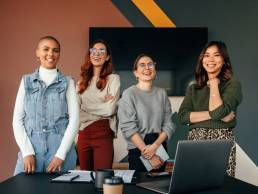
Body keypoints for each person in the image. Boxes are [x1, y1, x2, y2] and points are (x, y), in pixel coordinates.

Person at [13, 36, 79, 175]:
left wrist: (61, 155)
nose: (51, 54)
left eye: (55, 50)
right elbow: (17, 119)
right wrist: (26, 152)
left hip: (61, 151)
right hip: (31, 150)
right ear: (37, 53)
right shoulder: (26, 81)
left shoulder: (68, 82)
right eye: (46, 49)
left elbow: (74, 120)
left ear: (59, 54)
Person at [178, 41, 243, 177]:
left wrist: (213, 83)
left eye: (216, 55)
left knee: (221, 187)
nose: (210, 59)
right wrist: (216, 115)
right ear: (202, 60)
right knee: (193, 184)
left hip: (221, 142)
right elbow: (183, 117)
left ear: (224, 60)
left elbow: (218, 111)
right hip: (195, 142)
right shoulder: (193, 88)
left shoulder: (233, 85)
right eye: (206, 55)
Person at [118, 53, 175, 172]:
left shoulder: (162, 93)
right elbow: (129, 128)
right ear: (136, 72)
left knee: (159, 187)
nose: (147, 68)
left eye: (150, 64)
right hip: (138, 148)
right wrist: (150, 154)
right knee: (139, 188)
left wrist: (155, 147)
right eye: (142, 65)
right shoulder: (129, 94)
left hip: (160, 146)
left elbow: (169, 125)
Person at [77, 39, 120, 170]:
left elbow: (110, 109)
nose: (97, 54)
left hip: (103, 132)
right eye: (93, 50)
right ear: (89, 55)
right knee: (85, 179)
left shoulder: (113, 79)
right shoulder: (81, 83)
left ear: (107, 57)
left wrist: (84, 107)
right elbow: (76, 112)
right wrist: (102, 104)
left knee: (102, 178)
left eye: (102, 51)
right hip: (83, 134)